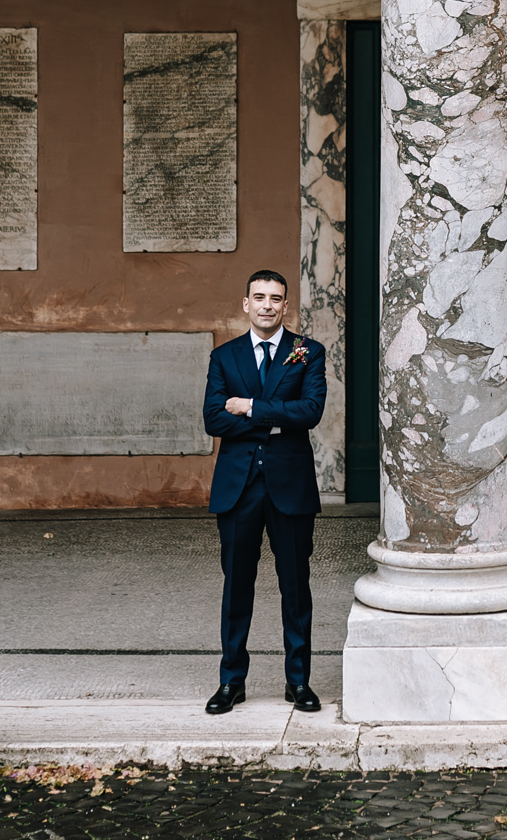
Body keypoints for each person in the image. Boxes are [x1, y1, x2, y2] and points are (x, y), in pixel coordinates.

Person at [201, 270, 327, 715]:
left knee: (295, 588)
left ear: (286, 306)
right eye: (260, 297)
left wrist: (251, 406)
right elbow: (214, 420)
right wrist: (277, 418)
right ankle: (231, 681)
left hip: (289, 487)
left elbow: (310, 411)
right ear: (246, 303)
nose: (268, 305)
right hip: (238, 489)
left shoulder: (308, 352)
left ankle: (299, 682)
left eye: (276, 298)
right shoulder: (224, 357)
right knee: (236, 587)